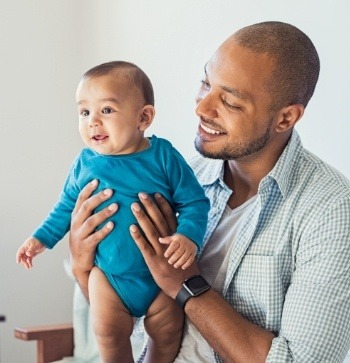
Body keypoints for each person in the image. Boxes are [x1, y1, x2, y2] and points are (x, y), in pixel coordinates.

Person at [69, 21, 350, 363]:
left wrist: (187, 285)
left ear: (286, 118)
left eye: (230, 102)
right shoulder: (182, 178)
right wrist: (84, 265)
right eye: (206, 83)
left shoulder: (330, 211)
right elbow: (132, 317)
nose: (202, 108)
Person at [16, 61, 210, 363]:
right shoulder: (85, 163)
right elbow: (65, 206)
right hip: (109, 278)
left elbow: (195, 202)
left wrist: (188, 236)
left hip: (162, 278)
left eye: (106, 110)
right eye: (84, 112)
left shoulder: (163, 156)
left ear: (143, 117)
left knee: (168, 331)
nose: (93, 121)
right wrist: (40, 239)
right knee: (107, 333)